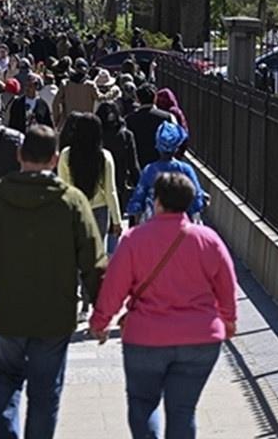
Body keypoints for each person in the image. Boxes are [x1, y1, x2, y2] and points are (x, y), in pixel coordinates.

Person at [0, 125, 107, 439]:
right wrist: (101, 312)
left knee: (7, 378)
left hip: (5, 312)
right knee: (45, 391)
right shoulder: (71, 201)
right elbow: (93, 263)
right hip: (54, 313)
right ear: (55, 160)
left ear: (19, 155)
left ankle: (7, 433)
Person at [89, 173, 238, 439]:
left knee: (143, 404)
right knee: (183, 410)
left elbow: (114, 287)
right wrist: (228, 320)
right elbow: (227, 286)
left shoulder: (134, 240)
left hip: (146, 338)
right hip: (200, 338)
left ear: (157, 202)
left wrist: (100, 322)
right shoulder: (209, 240)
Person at [58, 113, 122, 254]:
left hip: (75, 209)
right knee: (96, 256)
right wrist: (116, 220)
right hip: (99, 210)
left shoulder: (66, 155)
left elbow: (62, 188)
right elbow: (111, 190)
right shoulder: (105, 157)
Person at [128, 122, 207, 223]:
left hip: (154, 226)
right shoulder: (186, 170)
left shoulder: (149, 170)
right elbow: (196, 198)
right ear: (177, 147)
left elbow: (137, 201)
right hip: (181, 225)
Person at [97, 101, 141, 216]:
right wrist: (139, 185)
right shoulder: (126, 135)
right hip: (119, 182)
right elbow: (133, 164)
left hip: (97, 183)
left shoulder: (95, 135)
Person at [125, 85, 175, 169]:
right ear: (155, 98)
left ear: (138, 99)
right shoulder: (167, 117)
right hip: (161, 164)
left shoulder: (129, 119)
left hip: (139, 164)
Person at [52, 63, 99, 129]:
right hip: (86, 124)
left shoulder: (65, 84)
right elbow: (100, 99)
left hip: (69, 124)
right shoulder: (90, 85)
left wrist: (57, 120)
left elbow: (55, 104)